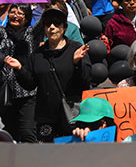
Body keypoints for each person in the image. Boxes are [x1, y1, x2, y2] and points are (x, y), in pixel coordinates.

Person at [4, 9, 91, 142]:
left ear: (64, 27)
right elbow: (30, 84)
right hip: (46, 117)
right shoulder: (38, 54)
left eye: (56, 24)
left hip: (71, 114)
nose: (52, 27)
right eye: (48, 24)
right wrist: (20, 68)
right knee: (47, 153)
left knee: (71, 152)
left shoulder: (76, 49)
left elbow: (85, 80)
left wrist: (76, 63)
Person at [0, 4, 36, 142]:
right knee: (9, 132)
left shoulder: (32, 34)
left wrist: (49, 2)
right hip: (6, 93)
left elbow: (46, 19)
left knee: (27, 132)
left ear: (27, 18)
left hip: (27, 93)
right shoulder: (2, 33)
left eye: (20, 13)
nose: (15, 16)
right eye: (12, 12)